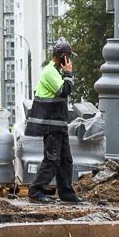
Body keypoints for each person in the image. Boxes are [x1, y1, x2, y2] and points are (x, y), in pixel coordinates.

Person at [26, 41, 80, 203]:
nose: (70, 61)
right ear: (63, 56)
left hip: (58, 124)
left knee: (65, 160)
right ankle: (36, 191)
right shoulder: (49, 71)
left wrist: (66, 74)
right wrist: (68, 74)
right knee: (52, 159)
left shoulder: (58, 72)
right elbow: (64, 91)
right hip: (50, 124)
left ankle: (67, 193)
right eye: (69, 57)